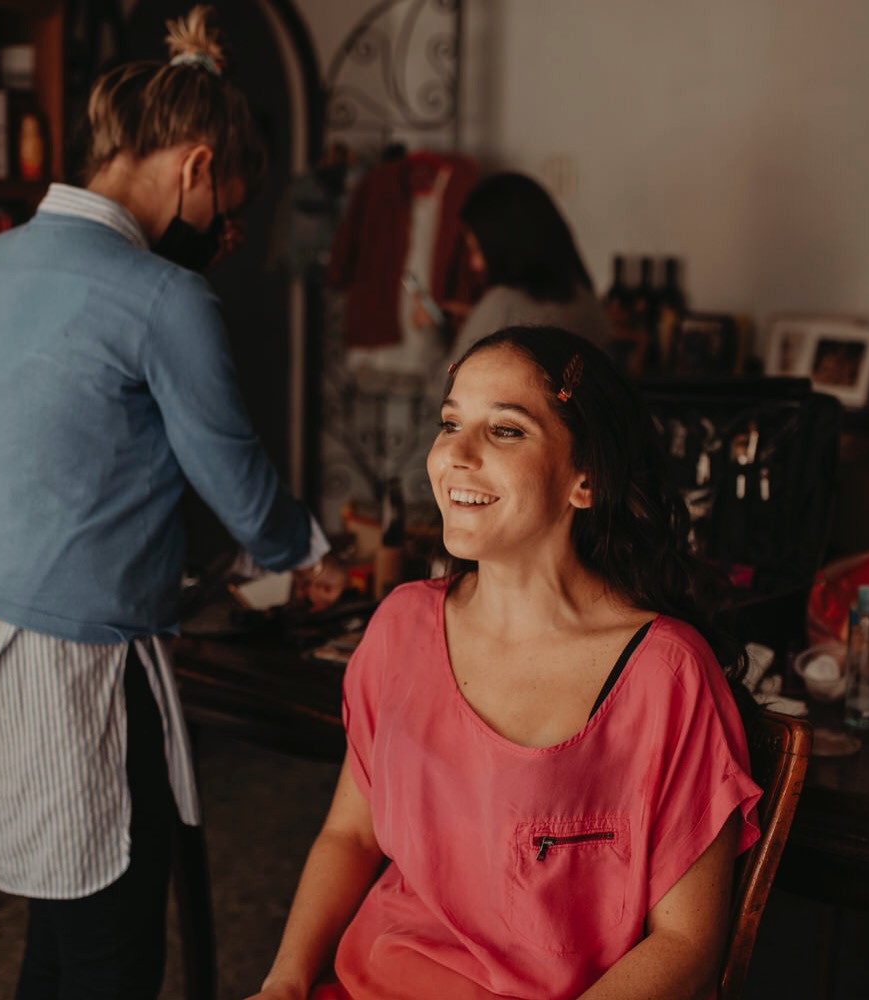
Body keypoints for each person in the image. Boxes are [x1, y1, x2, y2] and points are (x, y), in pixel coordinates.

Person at [0, 7, 331, 997]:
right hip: (83, 670)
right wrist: (309, 553)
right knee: (114, 955)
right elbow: (235, 476)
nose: (224, 229)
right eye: (227, 200)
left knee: (58, 933)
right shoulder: (164, 298)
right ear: (197, 167)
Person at [250, 327, 764, 1000]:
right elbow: (349, 835)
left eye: (506, 431)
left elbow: (686, 947)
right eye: (450, 423)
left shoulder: (664, 677)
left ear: (586, 479)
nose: (455, 455)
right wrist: (284, 983)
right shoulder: (402, 626)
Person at [432, 172, 614, 371]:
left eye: (477, 250)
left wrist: (428, 331)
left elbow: (446, 385)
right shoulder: (587, 301)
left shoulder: (502, 304)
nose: (475, 264)